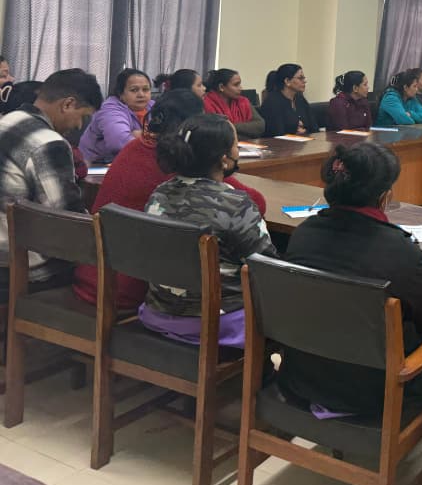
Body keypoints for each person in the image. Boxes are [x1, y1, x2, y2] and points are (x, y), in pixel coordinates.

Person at [278, 142, 422, 415]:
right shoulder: (401, 250)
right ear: (384, 196)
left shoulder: (303, 234)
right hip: (376, 391)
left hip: (302, 376)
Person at [75, 90, 267, 310]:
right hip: (134, 290)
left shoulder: (135, 147)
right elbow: (256, 204)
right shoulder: (174, 164)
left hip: (95, 274)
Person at [140, 114, 275, 348]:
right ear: (224, 159)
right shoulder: (236, 204)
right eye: (235, 145)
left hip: (157, 312)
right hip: (216, 323)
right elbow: (267, 269)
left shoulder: (159, 193)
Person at [0, 69, 102, 299]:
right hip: (12, 266)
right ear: (68, 104)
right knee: (96, 270)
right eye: (83, 117)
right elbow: (67, 220)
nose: (79, 127)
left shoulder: (8, 120)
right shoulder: (49, 143)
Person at [79, 68, 154, 164]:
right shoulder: (110, 109)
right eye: (134, 90)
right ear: (121, 94)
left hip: (130, 160)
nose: (141, 94)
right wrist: (150, 136)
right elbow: (119, 142)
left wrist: (139, 135)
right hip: (96, 164)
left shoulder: (152, 106)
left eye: (146, 89)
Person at [202, 68, 265, 139]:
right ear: (221, 87)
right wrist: (247, 132)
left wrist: (229, 126)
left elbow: (260, 126)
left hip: (248, 146)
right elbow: (215, 134)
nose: (240, 88)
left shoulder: (243, 101)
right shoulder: (207, 103)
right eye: (236, 85)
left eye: (240, 84)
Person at [259, 63, 316, 136]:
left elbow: (314, 126)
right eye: (300, 78)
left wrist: (305, 130)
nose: (304, 81)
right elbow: (277, 133)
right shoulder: (272, 102)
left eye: (304, 78)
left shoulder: (299, 99)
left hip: (303, 143)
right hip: (280, 145)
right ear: (287, 81)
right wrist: (296, 129)